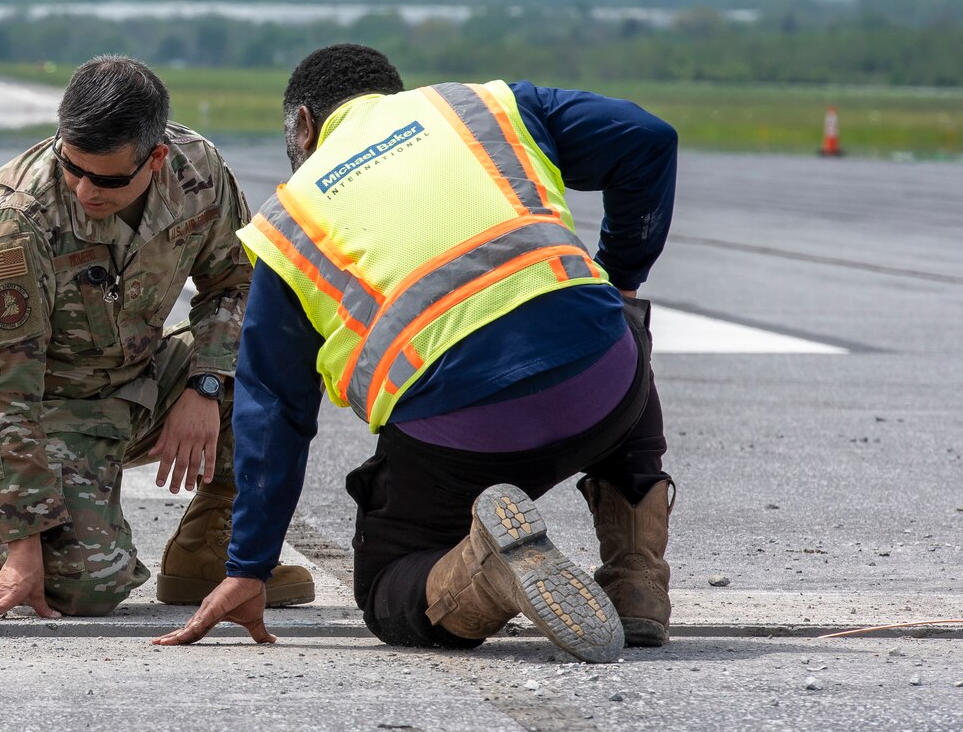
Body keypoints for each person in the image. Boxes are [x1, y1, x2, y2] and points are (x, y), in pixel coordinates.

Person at [156, 44, 677, 663]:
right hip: (602, 395)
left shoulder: (291, 220)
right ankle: (637, 581)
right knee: (613, 321)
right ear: (393, 94)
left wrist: (250, 567)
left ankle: (491, 570)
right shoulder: (483, 107)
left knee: (387, 585)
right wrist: (621, 277)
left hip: (463, 440)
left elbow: (274, 411)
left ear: (302, 124)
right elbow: (649, 138)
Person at [0, 56, 315, 620]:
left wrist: (207, 385)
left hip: (138, 379)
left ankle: (208, 548)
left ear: (156, 156)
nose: (86, 190)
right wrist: (24, 545)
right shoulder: (16, 221)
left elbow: (237, 282)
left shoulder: (198, 172)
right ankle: (3, 519)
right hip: (44, 409)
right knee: (80, 590)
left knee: (281, 347)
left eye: (109, 179)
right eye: (73, 168)